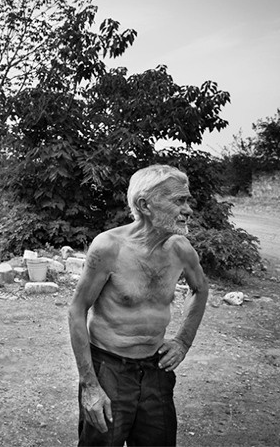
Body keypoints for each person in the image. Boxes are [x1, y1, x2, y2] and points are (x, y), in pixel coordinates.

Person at [68, 164, 209, 446]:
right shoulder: (109, 247)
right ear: (145, 205)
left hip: (156, 370)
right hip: (109, 368)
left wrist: (183, 341)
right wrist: (90, 385)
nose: (188, 210)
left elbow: (200, 289)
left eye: (187, 200)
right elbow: (77, 310)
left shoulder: (181, 249)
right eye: (179, 200)